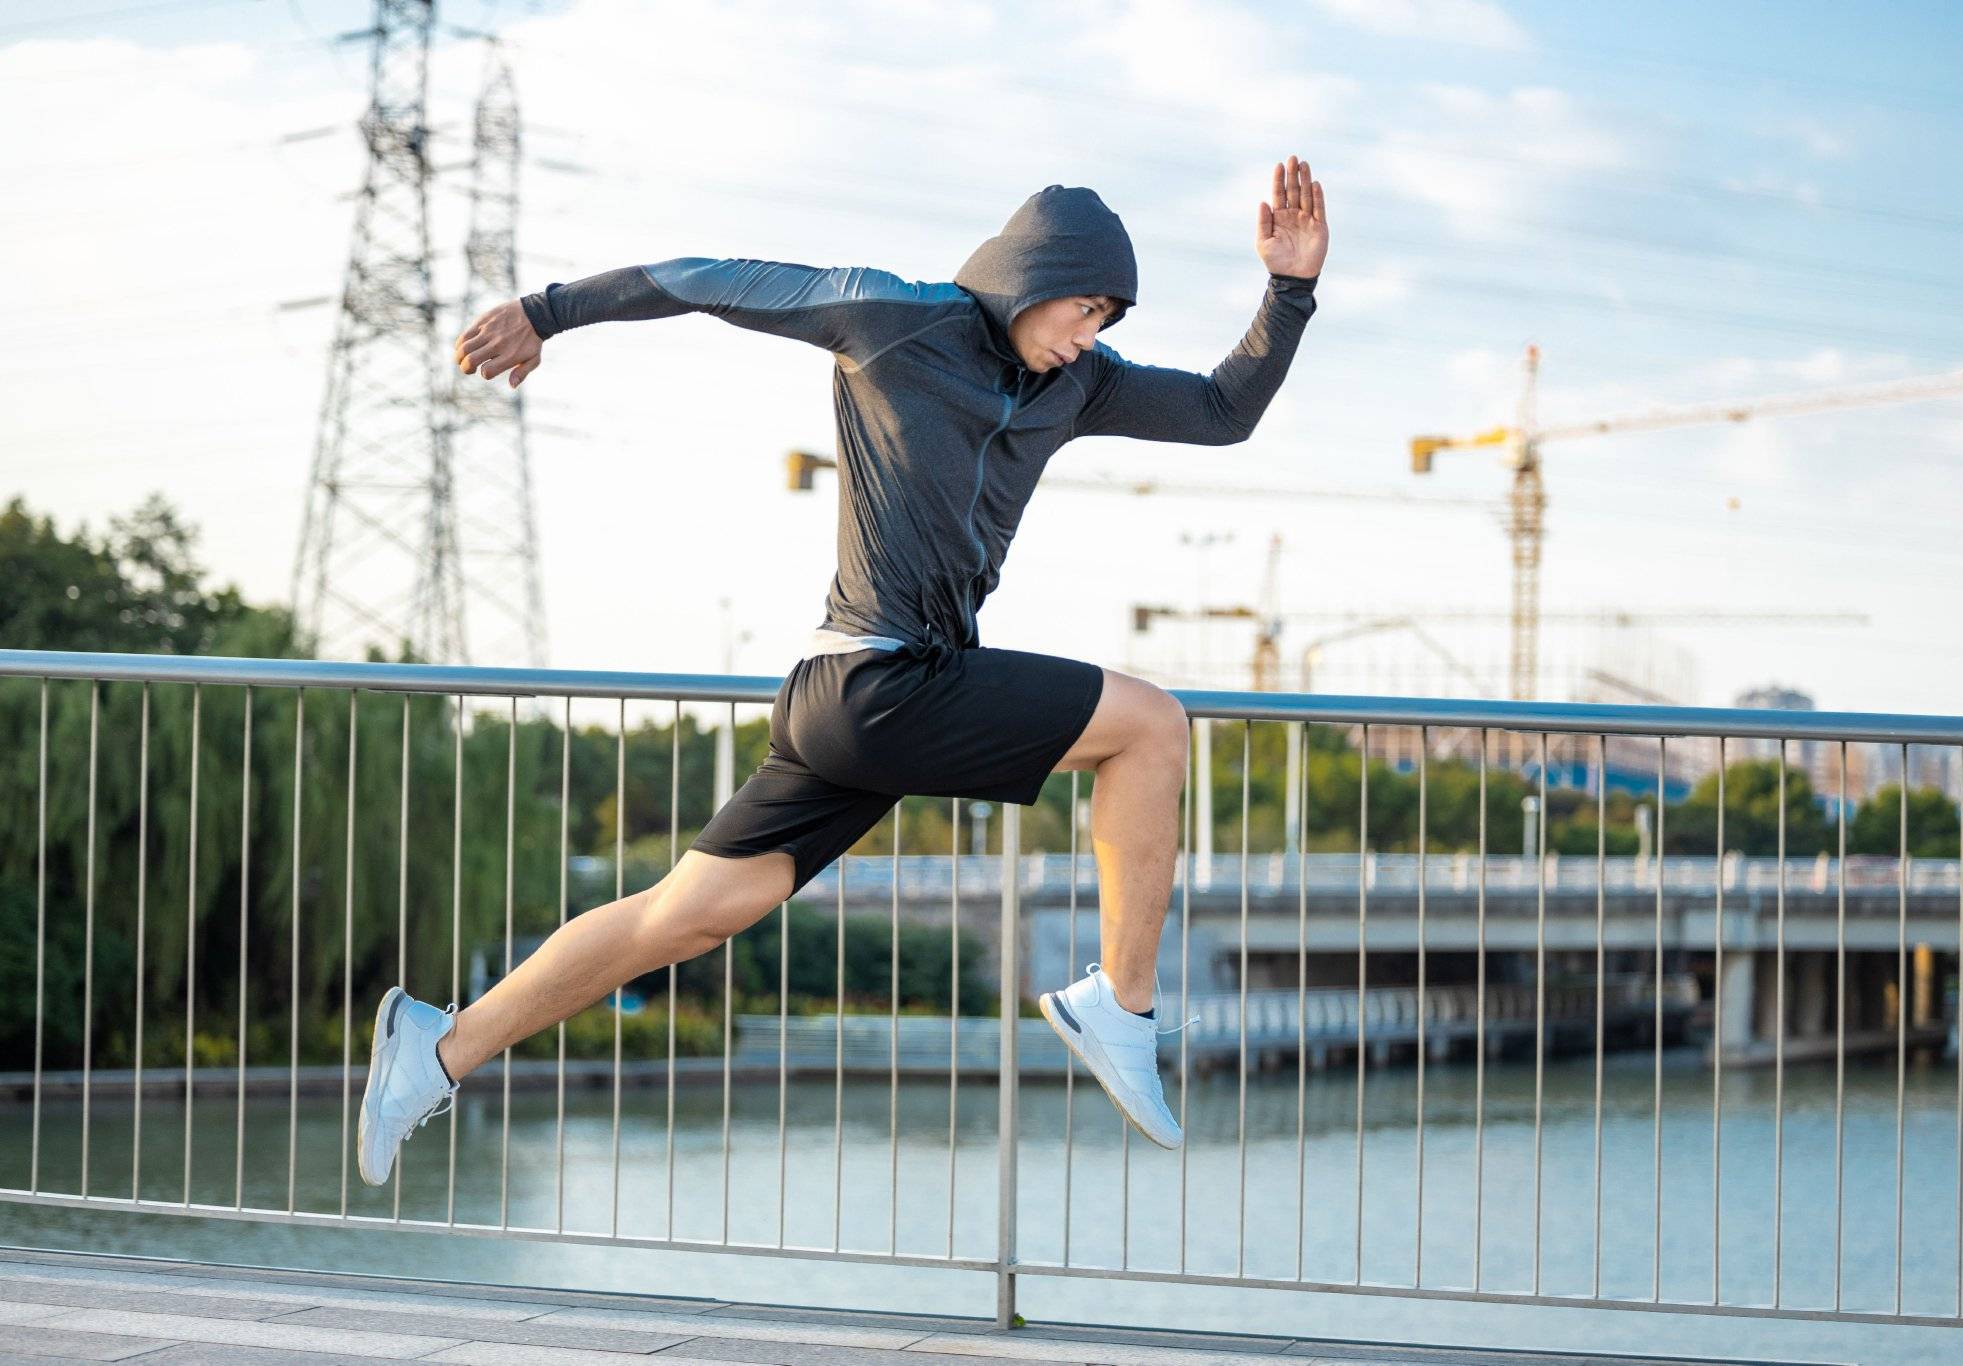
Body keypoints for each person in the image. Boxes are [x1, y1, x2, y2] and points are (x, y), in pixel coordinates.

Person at [356, 157, 1328, 1186]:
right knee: (1149, 726)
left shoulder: (1077, 382)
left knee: (681, 916)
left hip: (864, 703)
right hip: (873, 683)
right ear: (1029, 276)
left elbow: (1224, 411)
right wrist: (547, 311)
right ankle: (1120, 1006)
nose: (1090, 334)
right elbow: (706, 276)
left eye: (1106, 318)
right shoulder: (890, 316)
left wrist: (1289, 291)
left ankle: (437, 1048)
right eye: (1082, 307)